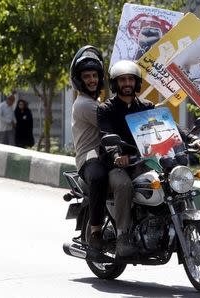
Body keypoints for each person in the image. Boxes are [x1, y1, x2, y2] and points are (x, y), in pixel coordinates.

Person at [97, 60, 200, 256]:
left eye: (131, 79)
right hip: (119, 165)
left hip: (144, 162)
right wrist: (117, 155)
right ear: (115, 84)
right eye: (122, 80)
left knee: (168, 180)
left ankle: (166, 224)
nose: (127, 83)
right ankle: (123, 236)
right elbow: (106, 135)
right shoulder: (106, 109)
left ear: (137, 82)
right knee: (124, 186)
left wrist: (193, 139)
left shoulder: (147, 107)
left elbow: (170, 127)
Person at [69, 45, 107, 250]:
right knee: (100, 177)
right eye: (87, 77)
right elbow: (114, 120)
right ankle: (95, 232)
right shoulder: (84, 104)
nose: (92, 80)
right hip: (89, 158)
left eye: (94, 75)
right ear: (79, 80)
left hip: (106, 154)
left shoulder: (97, 101)